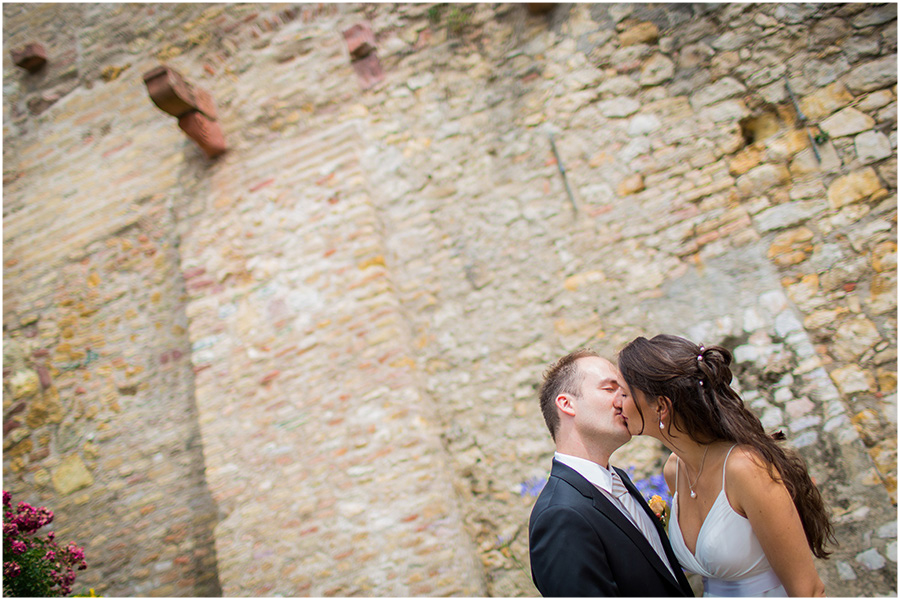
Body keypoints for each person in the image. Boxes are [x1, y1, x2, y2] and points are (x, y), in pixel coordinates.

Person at [618, 335, 835, 597]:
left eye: (625, 392)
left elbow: (808, 590)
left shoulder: (746, 469)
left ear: (661, 407)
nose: (617, 401)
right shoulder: (674, 471)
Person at [528, 349, 694, 597]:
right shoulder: (561, 516)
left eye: (624, 390)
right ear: (566, 404)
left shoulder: (619, 480)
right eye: (610, 389)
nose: (625, 399)